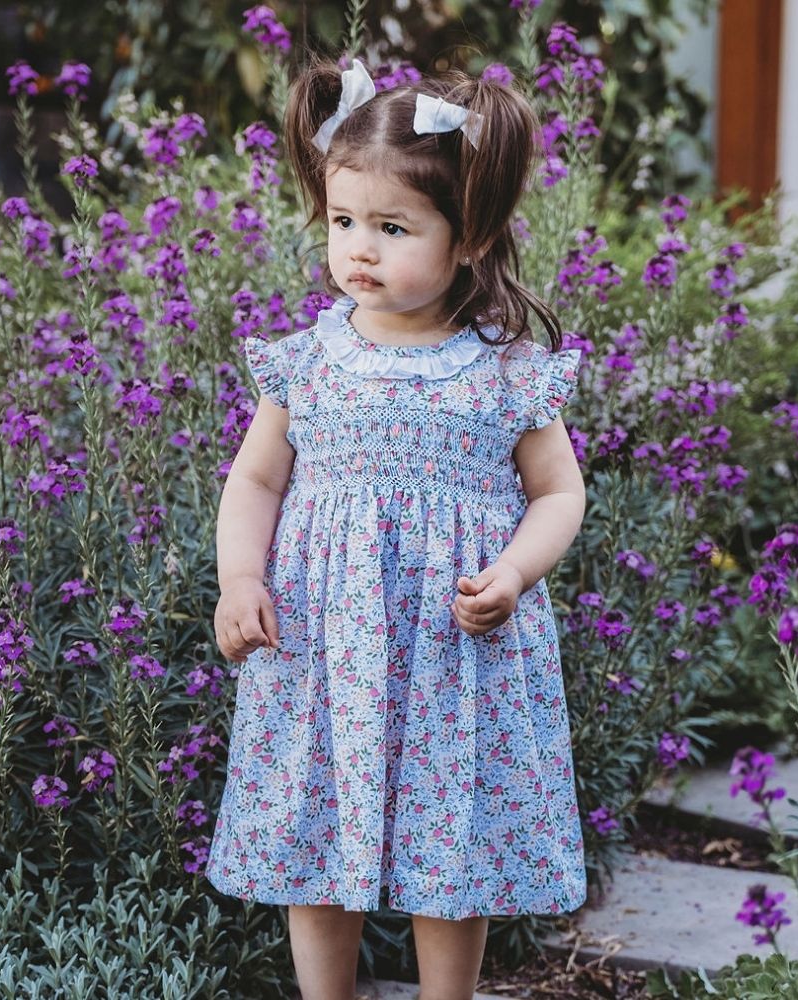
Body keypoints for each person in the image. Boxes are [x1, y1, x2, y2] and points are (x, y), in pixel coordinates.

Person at [205, 56, 587, 1000]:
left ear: (471, 237)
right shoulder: (307, 361)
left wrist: (513, 574)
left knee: (450, 840)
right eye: (343, 223)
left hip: (456, 654)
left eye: (391, 227)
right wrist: (241, 579)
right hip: (323, 646)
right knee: (318, 833)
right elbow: (256, 477)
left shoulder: (504, 370)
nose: (358, 251)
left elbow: (559, 494)